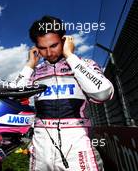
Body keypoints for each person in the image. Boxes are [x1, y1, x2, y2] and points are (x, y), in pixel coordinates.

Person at [15, 16, 114, 171]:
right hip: (41, 148)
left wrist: (70, 56)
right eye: (42, 48)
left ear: (64, 40)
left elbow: (103, 94)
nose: (49, 52)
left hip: (77, 146)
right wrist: (29, 65)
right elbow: (16, 98)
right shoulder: (35, 73)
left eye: (54, 45)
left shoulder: (83, 65)